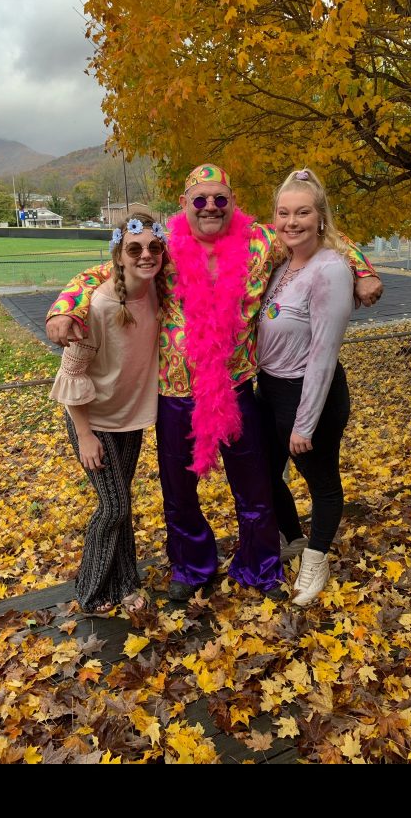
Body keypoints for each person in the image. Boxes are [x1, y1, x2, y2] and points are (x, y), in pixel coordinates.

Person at [46, 164, 383, 602]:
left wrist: (363, 270)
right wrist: (64, 308)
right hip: (175, 396)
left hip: (236, 391)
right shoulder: (163, 247)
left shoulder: (261, 242)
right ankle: (191, 567)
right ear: (183, 204)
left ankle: (259, 567)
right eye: (200, 200)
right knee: (179, 494)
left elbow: (323, 238)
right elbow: (102, 272)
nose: (210, 207)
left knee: (255, 489)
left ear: (232, 202)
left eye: (220, 199)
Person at [49, 212, 167, 615]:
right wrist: (84, 435)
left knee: (122, 503)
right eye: (134, 249)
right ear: (119, 256)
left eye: (154, 247)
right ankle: (90, 589)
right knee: (113, 507)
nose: (146, 255)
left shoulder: (157, 292)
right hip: (93, 420)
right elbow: (71, 373)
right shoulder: (98, 305)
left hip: (129, 418)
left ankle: (125, 584)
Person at [256, 169, 355, 606]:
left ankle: (316, 561)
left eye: (302, 212)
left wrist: (305, 423)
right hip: (271, 390)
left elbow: (323, 353)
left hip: (309, 393)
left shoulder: (330, 270)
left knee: (321, 482)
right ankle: (295, 538)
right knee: (263, 471)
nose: (291, 221)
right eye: (283, 213)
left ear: (320, 218)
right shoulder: (283, 264)